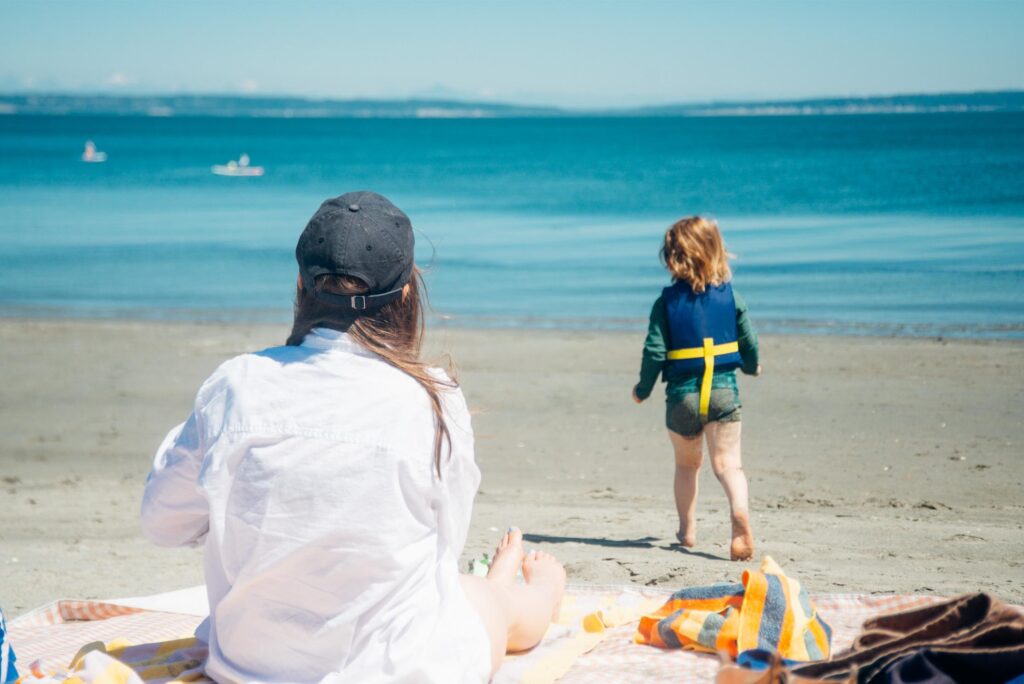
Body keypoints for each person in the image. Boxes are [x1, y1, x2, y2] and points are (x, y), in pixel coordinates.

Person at [141, 191, 565, 683]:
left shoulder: (236, 385)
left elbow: (162, 524)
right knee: (485, 601)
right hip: (399, 671)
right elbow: (445, 541)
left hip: (251, 669)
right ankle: (533, 588)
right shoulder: (432, 399)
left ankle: (498, 584)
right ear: (406, 295)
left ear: (300, 285)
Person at [632, 216, 760, 561]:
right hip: (723, 394)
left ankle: (687, 530)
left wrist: (643, 389)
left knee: (687, 466)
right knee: (728, 465)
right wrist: (752, 366)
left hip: (682, 398)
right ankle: (739, 511)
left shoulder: (665, 303)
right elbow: (748, 340)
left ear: (672, 257)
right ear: (718, 251)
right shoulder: (732, 297)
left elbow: (654, 351)